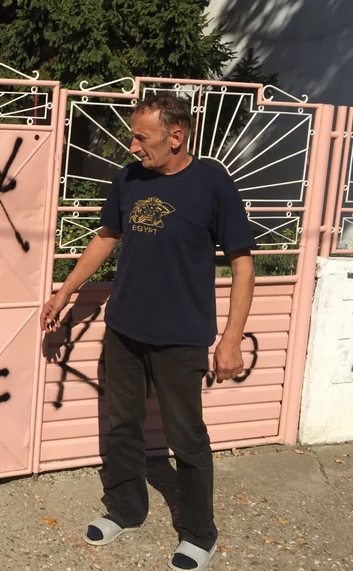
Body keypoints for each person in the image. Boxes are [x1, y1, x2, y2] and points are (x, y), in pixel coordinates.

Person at [40, 91, 255, 571]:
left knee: (187, 438)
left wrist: (232, 338)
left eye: (143, 137)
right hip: (124, 328)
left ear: (176, 136)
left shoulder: (212, 183)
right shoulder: (129, 178)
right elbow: (106, 237)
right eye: (132, 136)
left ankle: (199, 533)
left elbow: (242, 264)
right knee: (122, 425)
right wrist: (65, 292)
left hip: (181, 336)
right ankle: (125, 509)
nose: (133, 146)